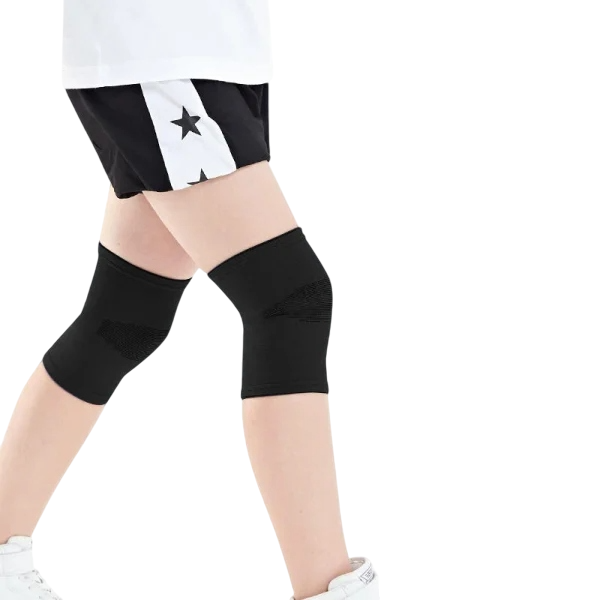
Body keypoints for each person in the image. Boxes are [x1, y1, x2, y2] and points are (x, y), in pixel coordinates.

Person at [0, 1, 380, 599]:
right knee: (290, 302)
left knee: (125, 317)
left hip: (210, 49)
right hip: (161, 49)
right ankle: (327, 587)